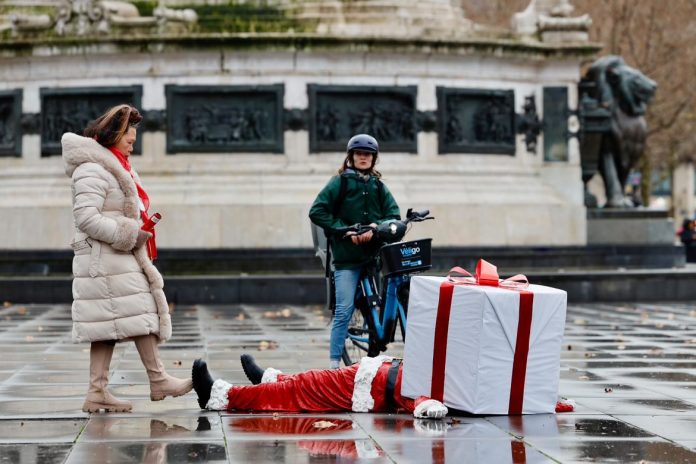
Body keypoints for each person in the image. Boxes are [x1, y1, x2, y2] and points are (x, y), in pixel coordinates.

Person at [62, 104, 192, 413]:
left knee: (108, 325)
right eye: (129, 140)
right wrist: (130, 234)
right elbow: (86, 218)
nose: (132, 146)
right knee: (137, 314)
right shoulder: (92, 169)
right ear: (113, 136)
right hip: (105, 258)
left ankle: (98, 391)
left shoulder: (112, 166)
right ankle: (156, 380)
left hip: (114, 258)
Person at [309, 134, 400, 369]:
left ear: (374, 159)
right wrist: (344, 230)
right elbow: (317, 211)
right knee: (344, 310)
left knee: (377, 307)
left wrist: (376, 226)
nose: (363, 157)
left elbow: (394, 215)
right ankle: (334, 365)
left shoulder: (378, 186)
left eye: (367, 154)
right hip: (347, 259)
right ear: (351, 156)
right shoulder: (339, 182)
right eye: (359, 153)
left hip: (372, 258)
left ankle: (375, 350)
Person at [190, 355, 449, 419]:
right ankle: (273, 381)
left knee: (303, 390)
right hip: (370, 374)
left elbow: (423, 401)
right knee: (311, 378)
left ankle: (223, 396)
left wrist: (429, 406)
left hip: (371, 389)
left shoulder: (443, 389)